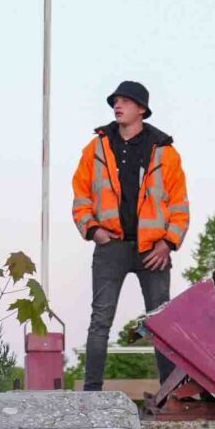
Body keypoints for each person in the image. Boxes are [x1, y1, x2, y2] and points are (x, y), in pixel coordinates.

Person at [72, 79, 189, 392]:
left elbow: (179, 204)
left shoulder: (165, 152)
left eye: (124, 101)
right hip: (110, 246)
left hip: (154, 250)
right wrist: (93, 230)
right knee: (101, 320)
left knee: (162, 324)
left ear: (142, 109)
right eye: (115, 101)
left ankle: (170, 392)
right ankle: (92, 392)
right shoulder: (95, 148)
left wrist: (168, 243)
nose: (117, 105)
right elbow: (81, 196)